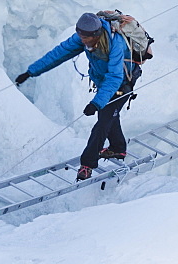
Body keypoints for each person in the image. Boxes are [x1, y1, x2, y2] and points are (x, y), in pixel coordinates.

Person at [15, 12, 140, 181]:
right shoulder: (83, 38)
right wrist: (31, 72)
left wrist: (97, 102)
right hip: (105, 82)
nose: (81, 38)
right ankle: (118, 147)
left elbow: (115, 77)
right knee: (109, 115)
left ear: (95, 34)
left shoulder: (114, 43)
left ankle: (87, 164)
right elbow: (59, 54)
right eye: (79, 33)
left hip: (123, 82)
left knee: (103, 121)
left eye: (84, 36)